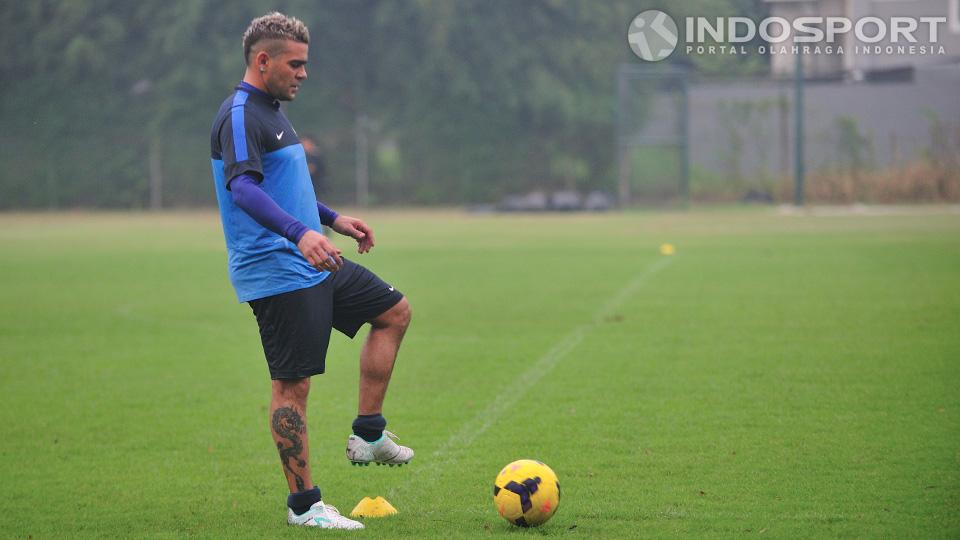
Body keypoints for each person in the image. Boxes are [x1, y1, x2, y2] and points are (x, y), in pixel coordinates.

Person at [209, 12, 413, 530]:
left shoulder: (272, 110)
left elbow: (285, 188)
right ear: (263, 60)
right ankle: (305, 507)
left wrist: (331, 219)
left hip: (314, 259)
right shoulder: (240, 114)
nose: (303, 73)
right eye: (295, 64)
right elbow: (245, 188)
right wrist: (300, 234)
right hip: (278, 270)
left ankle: (369, 433)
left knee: (393, 311)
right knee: (292, 388)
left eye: (305, 64)